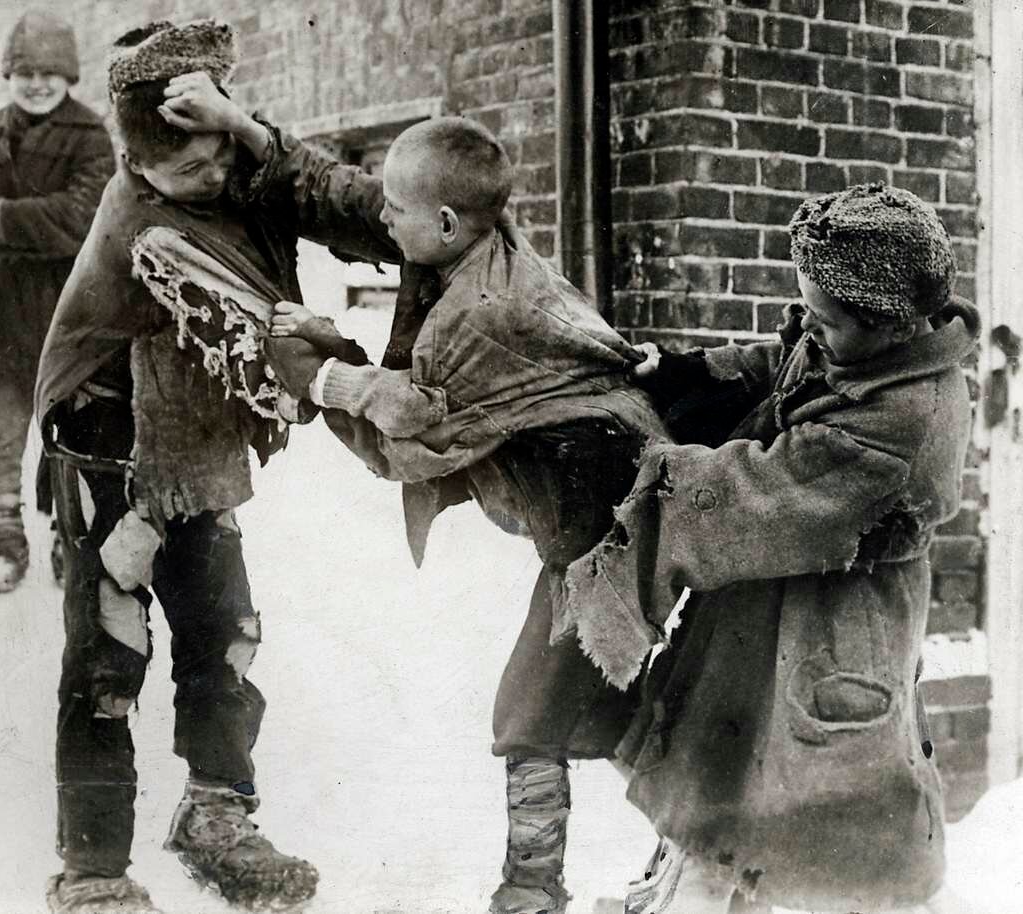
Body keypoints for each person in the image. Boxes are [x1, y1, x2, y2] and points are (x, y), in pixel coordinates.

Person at [199, 111, 668, 914]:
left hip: (605, 526)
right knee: (585, 705)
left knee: (530, 713)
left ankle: (534, 892)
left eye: (395, 211)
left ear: (445, 222)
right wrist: (334, 340)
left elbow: (417, 422)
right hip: (593, 516)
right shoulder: (468, 248)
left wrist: (320, 374)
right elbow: (362, 219)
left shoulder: (483, 311)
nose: (381, 221)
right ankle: (680, 851)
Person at [32, 19, 389, 914]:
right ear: (139, 164)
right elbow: (271, 340)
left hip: (195, 433)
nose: (219, 181)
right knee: (110, 648)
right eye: (195, 172)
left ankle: (216, 815)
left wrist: (253, 137)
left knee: (222, 628)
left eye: (224, 158)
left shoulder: (232, 156)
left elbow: (352, 208)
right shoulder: (153, 230)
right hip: (109, 434)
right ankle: (93, 868)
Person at [563, 184, 974, 913]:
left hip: (835, 631)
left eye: (827, 321)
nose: (809, 331)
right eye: (806, 312)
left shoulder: (907, 419)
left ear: (888, 323)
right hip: (772, 608)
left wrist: (652, 469)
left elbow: (759, 494)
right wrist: (692, 372)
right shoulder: (858, 345)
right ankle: (694, 889)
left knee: (822, 816)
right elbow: (784, 356)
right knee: (728, 777)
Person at [0, 9, 113, 595]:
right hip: (1, 306)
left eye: (50, 71)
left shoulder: (91, 136)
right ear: (8, 74)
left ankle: (72, 536)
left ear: (69, 75)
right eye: (25, 70)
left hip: (72, 305)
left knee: (75, 426)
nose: (37, 82)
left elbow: (76, 220)